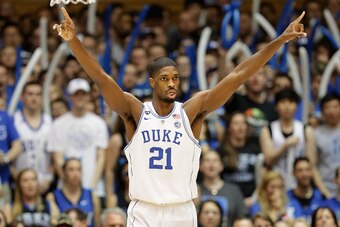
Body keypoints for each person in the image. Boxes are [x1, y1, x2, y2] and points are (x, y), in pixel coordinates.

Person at [54, 7, 307, 226]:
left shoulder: (191, 111)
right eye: (164, 79)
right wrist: (73, 40)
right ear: (152, 82)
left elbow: (238, 75)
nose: (172, 83)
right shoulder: (135, 111)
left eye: (176, 78)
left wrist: (281, 40)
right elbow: (101, 77)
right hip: (144, 209)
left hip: (182, 210)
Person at [47, 78, 108, 194]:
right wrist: (67, 183)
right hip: (66, 189)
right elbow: (57, 157)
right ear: (70, 96)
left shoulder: (99, 123)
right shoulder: (58, 124)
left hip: (93, 187)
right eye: (76, 94)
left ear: (88, 96)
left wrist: (92, 185)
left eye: (83, 94)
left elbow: (101, 157)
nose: (80, 97)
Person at [13, 81, 53, 194]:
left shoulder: (49, 122)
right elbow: (9, 154)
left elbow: (55, 155)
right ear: (22, 97)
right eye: (30, 94)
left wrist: (48, 179)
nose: (34, 98)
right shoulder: (14, 121)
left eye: (38, 94)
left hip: (44, 185)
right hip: (19, 185)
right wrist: (17, 177)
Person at [199, 150, 248, 227]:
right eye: (207, 160)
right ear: (200, 166)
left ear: (221, 166)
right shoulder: (194, 190)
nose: (211, 164)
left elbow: (242, 218)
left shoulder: (233, 191)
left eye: (215, 160)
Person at [48, 158, 101, 227]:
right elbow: (54, 223)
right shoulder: (53, 197)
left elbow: (98, 224)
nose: (75, 173)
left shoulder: (92, 195)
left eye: (78, 169)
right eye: (71, 170)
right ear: (64, 172)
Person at [314, 93, 340, 197]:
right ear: (322, 111)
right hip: (326, 188)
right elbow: (313, 166)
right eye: (327, 107)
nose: (331, 111)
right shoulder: (316, 133)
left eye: (335, 107)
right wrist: (325, 192)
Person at [287, 157, 325, 221]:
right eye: (300, 170)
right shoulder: (286, 198)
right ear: (293, 173)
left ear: (312, 172)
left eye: (307, 170)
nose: (304, 174)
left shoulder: (321, 197)